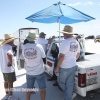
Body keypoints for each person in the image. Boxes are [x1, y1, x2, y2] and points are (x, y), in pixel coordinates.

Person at [54, 25, 80, 100]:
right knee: (70, 84)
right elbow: (78, 54)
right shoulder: (76, 42)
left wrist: (57, 67)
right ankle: (68, 96)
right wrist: (72, 60)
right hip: (73, 66)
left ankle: (69, 94)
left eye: (63, 33)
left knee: (60, 82)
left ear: (65, 34)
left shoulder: (65, 42)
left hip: (65, 67)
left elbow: (61, 56)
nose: (63, 35)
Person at [20, 30, 46, 100]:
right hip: (39, 71)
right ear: (35, 38)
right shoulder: (39, 46)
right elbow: (44, 56)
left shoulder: (24, 47)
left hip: (29, 72)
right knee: (42, 89)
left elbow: (22, 57)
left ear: (28, 38)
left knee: (29, 89)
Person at [0, 34, 19, 100]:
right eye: (12, 40)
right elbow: (9, 54)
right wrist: (10, 62)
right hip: (9, 69)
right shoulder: (8, 47)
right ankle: (11, 96)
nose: (13, 40)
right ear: (10, 41)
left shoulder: (2, 46)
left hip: (3, 68)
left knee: (5, 82)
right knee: (10, 83)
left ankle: (7, 95)